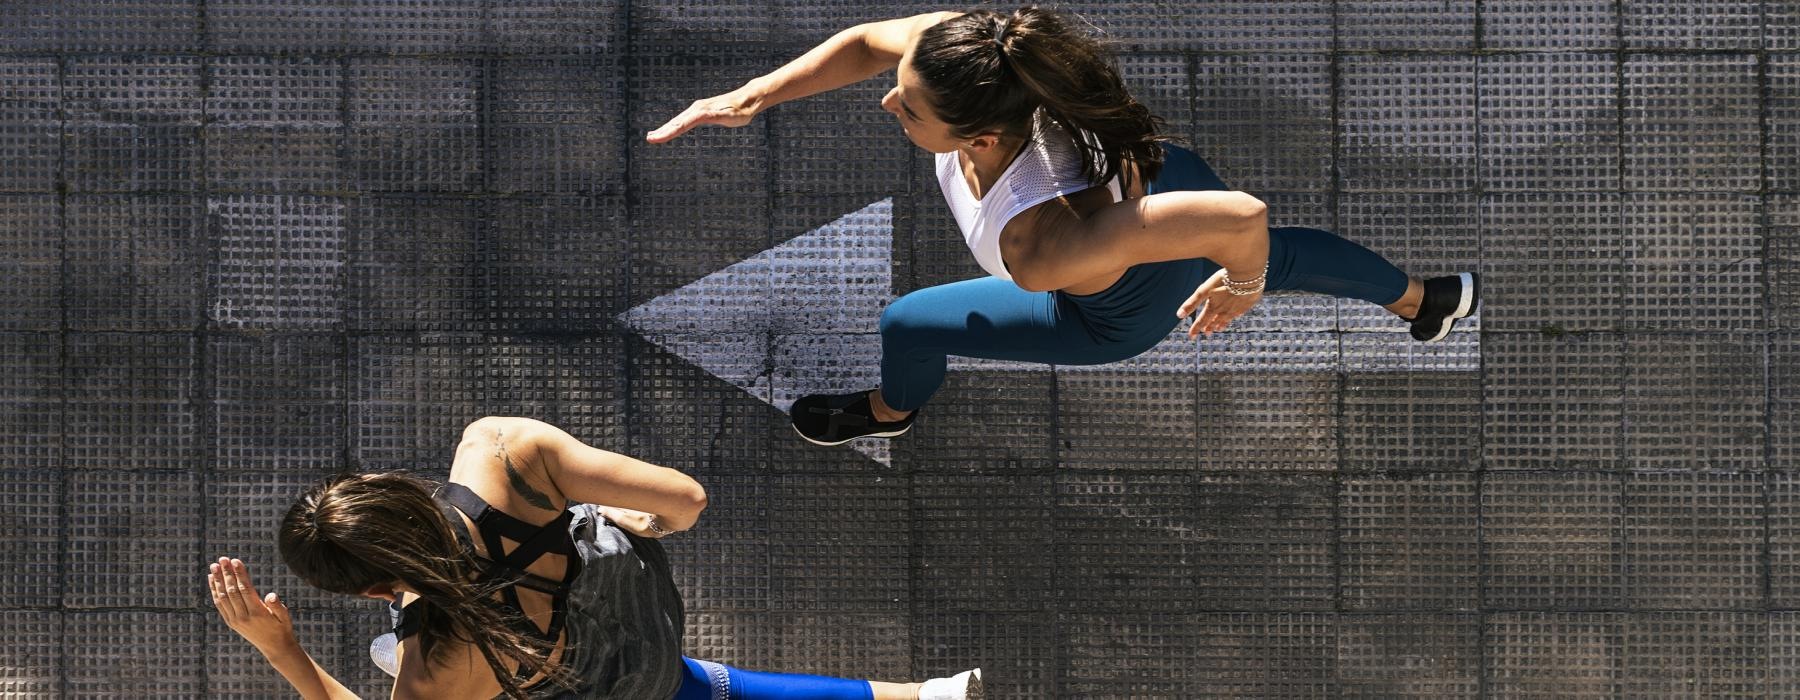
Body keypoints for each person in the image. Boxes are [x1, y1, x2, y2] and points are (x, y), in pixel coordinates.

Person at [647, 7, 1480, 446]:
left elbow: (1241, 221)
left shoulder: (1039, 247)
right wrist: (755, 94)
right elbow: (870, 42)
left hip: (1115, 288)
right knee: (1275, 253)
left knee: (906, 321)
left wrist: (1242, 287)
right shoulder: (983, 57)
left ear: (977, 140)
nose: (887, 100)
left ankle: (892, 410)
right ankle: (1425, 300)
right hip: (1165, 183)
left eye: (908, 111)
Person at [205, 417, 983, 700]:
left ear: (375, 582)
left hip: (611, 683)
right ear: (393, 491)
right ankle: (931, 697)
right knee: (691, 683)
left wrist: (285, 651)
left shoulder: (432, 672)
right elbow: (685, 500)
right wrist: (614, 516)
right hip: (636, 617)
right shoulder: (501, 449)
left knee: (684, 691)